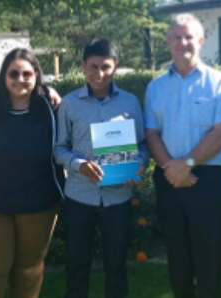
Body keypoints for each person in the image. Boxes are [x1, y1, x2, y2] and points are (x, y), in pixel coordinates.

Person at [143, 13, 221, 298]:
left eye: (188, 37)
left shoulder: (220, 82)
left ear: (200, 41)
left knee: (211, 258)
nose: (182, 42)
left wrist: (186, 165)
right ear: (167, 41)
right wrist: (170, 168)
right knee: (178, 259)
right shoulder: (155, 87)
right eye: (176, 36)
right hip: (168, 180)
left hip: (208, 181)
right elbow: (151, 134)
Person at [54, 39, 148, 298]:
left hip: (118, 197)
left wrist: (139, 164)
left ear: (115, 66)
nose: (99, 74)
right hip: (79, 197)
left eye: (105, 67)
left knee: (116, 267)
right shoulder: (70, 103)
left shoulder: (129, 103)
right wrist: (78, 164)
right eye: (93, 66)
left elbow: (142, 145)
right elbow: (59, 148)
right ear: (83, 66)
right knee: (76, 267)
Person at [0, 48, 64, 298]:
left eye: (27, 73)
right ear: (3, 75)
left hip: (39, 201)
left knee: (29, 268)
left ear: (36, 76)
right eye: (13, 73)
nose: (20, 79)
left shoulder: (51, 106)